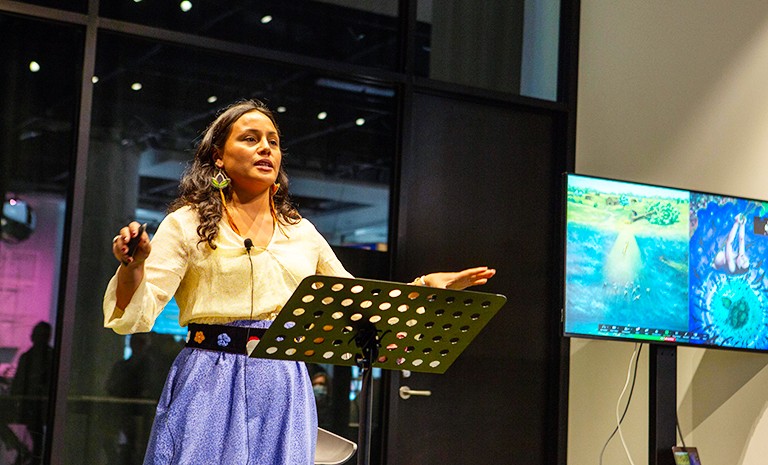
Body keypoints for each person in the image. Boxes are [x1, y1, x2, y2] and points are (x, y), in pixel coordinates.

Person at [103, 99, 495, 465]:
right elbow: (136, 314)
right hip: (212, 375)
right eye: (250, 139)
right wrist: (133, 266)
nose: (266, 149)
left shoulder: (302, 232)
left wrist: (425, 286)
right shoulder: (186, 222)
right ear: (218, 157)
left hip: (283, 380)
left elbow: (355, 300)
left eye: (273, 142)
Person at [10, 321, 54, 465]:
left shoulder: (49, 357)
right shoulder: (29, 357)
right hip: (30, 407)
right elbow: (18, 384)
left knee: (35, 441)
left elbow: (18, 384)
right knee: (34, 440)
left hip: (37, 408)